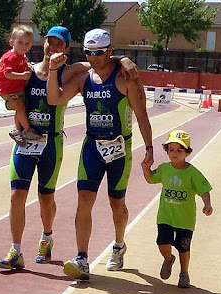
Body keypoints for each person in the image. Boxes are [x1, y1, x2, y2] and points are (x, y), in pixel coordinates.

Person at [0, 26, 138, 270]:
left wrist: (122, 58)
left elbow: (99, 62)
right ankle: (16, 250)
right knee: (16, 196)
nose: (53, 47)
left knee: (45, 197)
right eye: (49, 42)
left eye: (59, 44)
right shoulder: (27, 71)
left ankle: (46, 237)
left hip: (51, 141)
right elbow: (7, 90)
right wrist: (11, 103)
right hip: (25, 140)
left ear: (66, 49)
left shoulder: (70, 72)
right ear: (43, 44)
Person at [47, 28, 153, 280]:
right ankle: (82, 258)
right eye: (89, 52)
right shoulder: (84, 78)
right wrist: (52, 71)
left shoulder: (126, 77)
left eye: (99, 52)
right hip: (92, 147)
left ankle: (118, 245)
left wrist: (149, 148)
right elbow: (54, 99)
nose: (94, 57)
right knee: (84, 200)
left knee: (116, 203)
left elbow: (142, 116)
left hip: (119, 149)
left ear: (110, 51)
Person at [141, 129, 213, 288]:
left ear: (187, 152)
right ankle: (168, 259)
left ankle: (184, 273)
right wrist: (145, 168)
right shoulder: (165, 169)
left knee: (183, 248)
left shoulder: (192, 172)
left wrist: (207, 203)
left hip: (185, 219)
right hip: (166, 216)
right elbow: (151, 179)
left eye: (180, 150)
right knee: (162, 243)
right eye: (171, 149)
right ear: (166, 151)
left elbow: (204, 189)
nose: (175, 153)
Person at [0, 24, 42, 146]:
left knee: (21, 108)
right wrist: (23, 76)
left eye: (27, 44)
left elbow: (24, 66)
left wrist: (29, 68)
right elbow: (8, 74)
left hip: (16, 88)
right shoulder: (10, 57)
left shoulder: (23, 56)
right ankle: (27, 130)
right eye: (20, 42)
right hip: (7, 89)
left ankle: (17, 130)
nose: (23, 46)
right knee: (20, 106)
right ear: (12, 42)